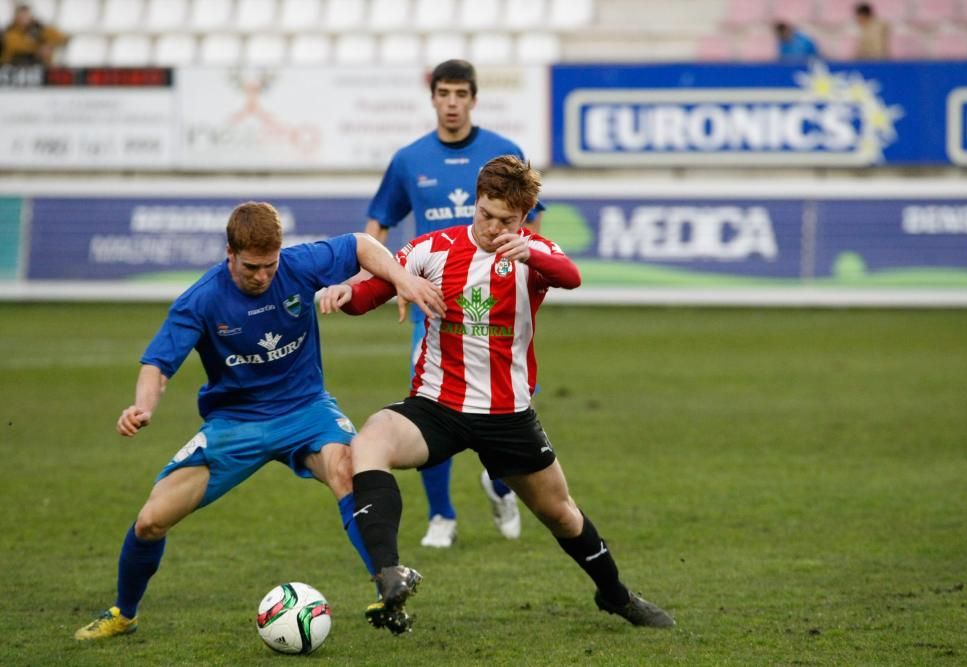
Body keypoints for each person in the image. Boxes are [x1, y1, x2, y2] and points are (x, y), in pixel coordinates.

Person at [325, 156, 675, 635]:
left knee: (561, 514)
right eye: (484, 215)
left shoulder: (532, 254)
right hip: (437, 406)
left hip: (507, 414)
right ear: (475, 202)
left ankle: (615, 596)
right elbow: (369, 296)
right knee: (369, 442)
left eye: (505, 220)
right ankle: (389, 577)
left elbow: (571, 276)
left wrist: (530, 252)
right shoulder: (433, 248)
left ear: (524, 216)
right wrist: (344, 295)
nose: (492, 228)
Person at [73, 202, 446, 641]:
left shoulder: (297, 265)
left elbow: (362, 245)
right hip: (236, 424)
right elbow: (157, 364)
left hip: (307, 409)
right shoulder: (203, 298)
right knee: (151, 520)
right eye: (252, 267)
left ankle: (387, 585)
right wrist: (143, 407)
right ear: (229, 253)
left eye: (270, 266)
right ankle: (124, 613)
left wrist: (401, 277)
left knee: (349, 468)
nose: (263, 276)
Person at [363, 59, 543, 549]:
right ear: (433, 98)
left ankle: (500, 482)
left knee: (515, 402)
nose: (451, 102)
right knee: (430, 405)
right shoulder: (409, 160)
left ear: (473, 99)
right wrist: (370, 271)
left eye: (460, 93)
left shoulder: (504, 153)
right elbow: (378, 223)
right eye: (443, 92)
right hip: (436, 309)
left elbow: (532, 229)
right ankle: (441, 515)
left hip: (497, 309)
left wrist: (531, 282)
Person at [0, 3, 67, 66]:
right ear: (16, 17)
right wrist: (37, 49)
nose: (23, 18)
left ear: (31, 16)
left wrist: (49, 46)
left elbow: (61, 38)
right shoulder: (10, 31)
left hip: (40, 67)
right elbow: (14, 45)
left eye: (26, 15)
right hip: (13, 67)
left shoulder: (40, 29)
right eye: (21, 15)